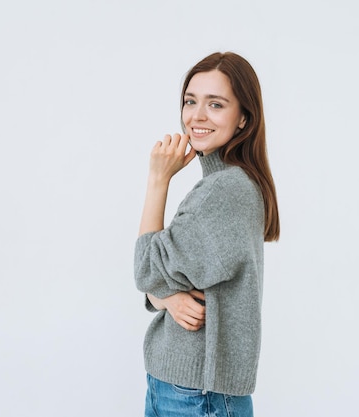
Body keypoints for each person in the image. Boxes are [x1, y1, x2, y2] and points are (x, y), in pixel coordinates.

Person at [134, 51, 280, 417]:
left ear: (244, 118)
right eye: (190, 101)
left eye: (215, 104)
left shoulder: (225, 191)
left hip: (198, 395)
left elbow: (146, 271)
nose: (197, 116)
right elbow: (162, 276)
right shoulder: (220, 184)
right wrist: (167, 297)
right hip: (179, 386)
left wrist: (157, 180)